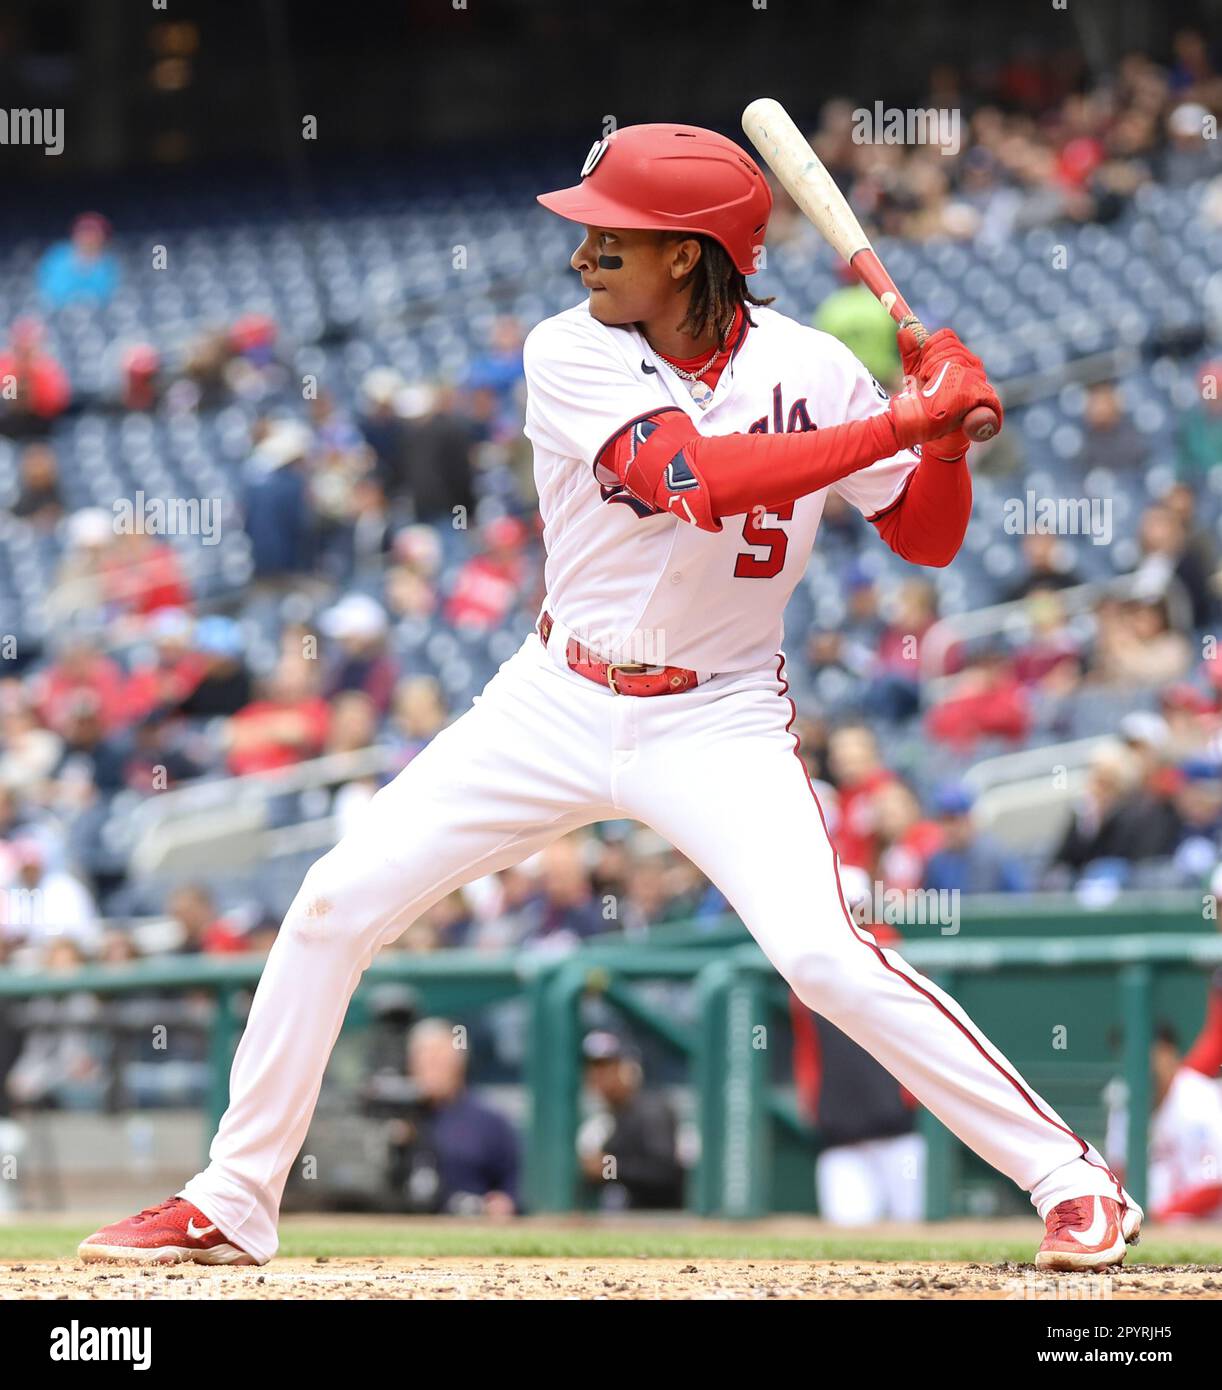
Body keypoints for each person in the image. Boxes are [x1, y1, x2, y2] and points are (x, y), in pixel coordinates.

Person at [82, 122, 1137, 1273]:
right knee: (333, 899)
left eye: (607, 236)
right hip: (557, 694)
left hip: (720, 712)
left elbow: (929, 542)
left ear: (685, 255)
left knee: (824, 956)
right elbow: (691, 479)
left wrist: (943, 446)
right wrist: (900, 419)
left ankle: (1072, 1180)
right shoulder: (569, 351)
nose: (579, 253)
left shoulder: (815, 369)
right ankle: (235, 1197)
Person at [383, 1019, 518, 1216]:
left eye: (439, 1059)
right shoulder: (393, 1115)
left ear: (459, 1064)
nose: (431, 1067)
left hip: (467, 1225)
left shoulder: (488, 1122)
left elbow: (511, 1187)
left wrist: (502, 1203)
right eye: (424, 1059)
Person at [579, 1031, 684, 1210]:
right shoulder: (606, 1116)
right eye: (593, 1068)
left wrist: (607, 1167)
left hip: (660, 1219)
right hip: (621, 1220)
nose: (598, 1076)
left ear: (628, 1069)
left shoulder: (651, 1111)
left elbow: (663, 1172)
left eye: (607, 1067)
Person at [36, 213, 119, 310]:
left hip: (95, 315)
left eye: (94, 233)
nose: (88, 238)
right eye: (84, 232)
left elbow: (106, 294)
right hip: (58, 311)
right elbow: (49, 289)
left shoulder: (108, 264)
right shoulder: (57, 256)